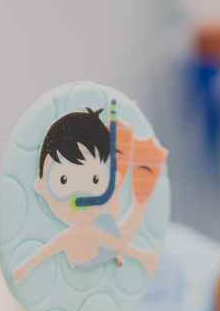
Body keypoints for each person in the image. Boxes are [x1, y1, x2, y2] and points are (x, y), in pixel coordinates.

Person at [12, 102, 165, 282]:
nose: (79, 196)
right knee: (107, 216)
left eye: (95, 179)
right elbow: (46, 251)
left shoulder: (92, 225)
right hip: (100, 244)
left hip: (107, 237)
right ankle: (132, 185)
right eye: (62, 180)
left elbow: (113, 241)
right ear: (41, 185)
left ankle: (132, 183)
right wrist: (141, 255)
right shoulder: (79, 233)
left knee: (112, 207)